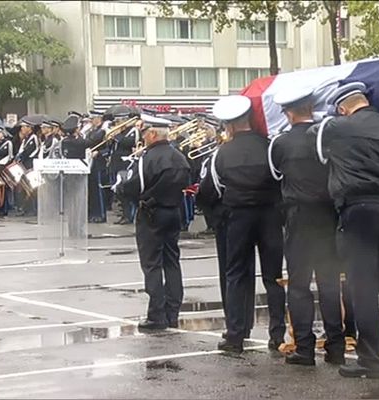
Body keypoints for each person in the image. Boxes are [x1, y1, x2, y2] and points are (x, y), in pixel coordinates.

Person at [317, 82, 379, 378]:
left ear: (343, 107)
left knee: (363, 285)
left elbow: (311, 138)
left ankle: (370, 359)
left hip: (358, 209)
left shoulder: (339, 126)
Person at [269, 87, 344, 366]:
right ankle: (335, 345)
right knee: (329, 283)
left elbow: (276, 175)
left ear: (288, 113)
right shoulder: (326, 137)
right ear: (311, 107)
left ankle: (304, 347)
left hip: (298, 217)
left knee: (299, 285)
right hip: (327, 215)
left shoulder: (280, 143)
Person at [211, 95, 285, 354]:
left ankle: (235, 335)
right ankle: (277, 335)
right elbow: (279, 179)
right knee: (273, 277)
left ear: (229, 125)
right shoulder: (270, 146)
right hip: (269, 215)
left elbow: (217, 186)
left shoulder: (221, 152)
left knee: (236, 276)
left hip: (238, 216)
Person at [115, 124, 191, 330]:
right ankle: (172, 312)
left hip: (152, 212)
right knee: (172, 262)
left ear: (152, 134)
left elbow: (133, 186)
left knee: (152, 264)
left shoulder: (147, 158)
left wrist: (121, 187)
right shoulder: (180, 157)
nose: (143, 138)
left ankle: (156, 314)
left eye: (144, 134)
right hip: (174, 211)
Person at [196, 154, 256, 340]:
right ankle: (247, 324)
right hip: (255, 217)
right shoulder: (263, 148)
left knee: (230, 273)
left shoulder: (219, 156)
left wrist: (208, 211)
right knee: (248, 271)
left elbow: (207, 190)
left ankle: (235, 325)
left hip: (227, 217)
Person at [111, 115, 141, 224]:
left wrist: (117, 136)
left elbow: (130, 143)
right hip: (117, 163)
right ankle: (124, 214)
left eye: (120, 121)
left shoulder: (133, 131)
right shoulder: (120, 132)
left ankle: (129, 215)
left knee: (126, 190)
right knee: (119, 191)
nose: (118, 123)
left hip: (126, 164)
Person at [86, 111, 108, 223]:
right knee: (92, 189)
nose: (91, 120)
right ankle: (93, 213)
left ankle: (101, 214)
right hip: (90, 162)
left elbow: (108, 148)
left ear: (98, 118)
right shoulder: (92, 131)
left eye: (93, 118)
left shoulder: (103, 131)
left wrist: (99, 152)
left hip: (99, 162)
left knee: (99, 190)